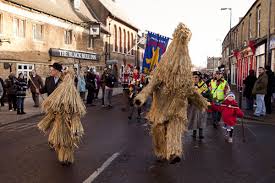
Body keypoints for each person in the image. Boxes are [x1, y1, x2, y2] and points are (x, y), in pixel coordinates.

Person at [135, 23, 208, 164]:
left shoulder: (185, 70)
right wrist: (141, 97)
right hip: (161, 108)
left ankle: (174, 152)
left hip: (177, 108)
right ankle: (161, 150)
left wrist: (201, 102)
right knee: (159, 130)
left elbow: (190, 90)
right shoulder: (162, 70)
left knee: (175, 127)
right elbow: (150, 86)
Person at [188, 71, 211, 140]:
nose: (194, 79)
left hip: (201, 105)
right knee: (194, 119)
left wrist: (203, 97)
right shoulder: (190, 85)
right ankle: (194, 133)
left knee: (201, 119)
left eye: (196, 77)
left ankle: (201, 134)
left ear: (199, 78)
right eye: (193, 77)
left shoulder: (203, 85)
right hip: (193, 105)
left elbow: (208, 95)